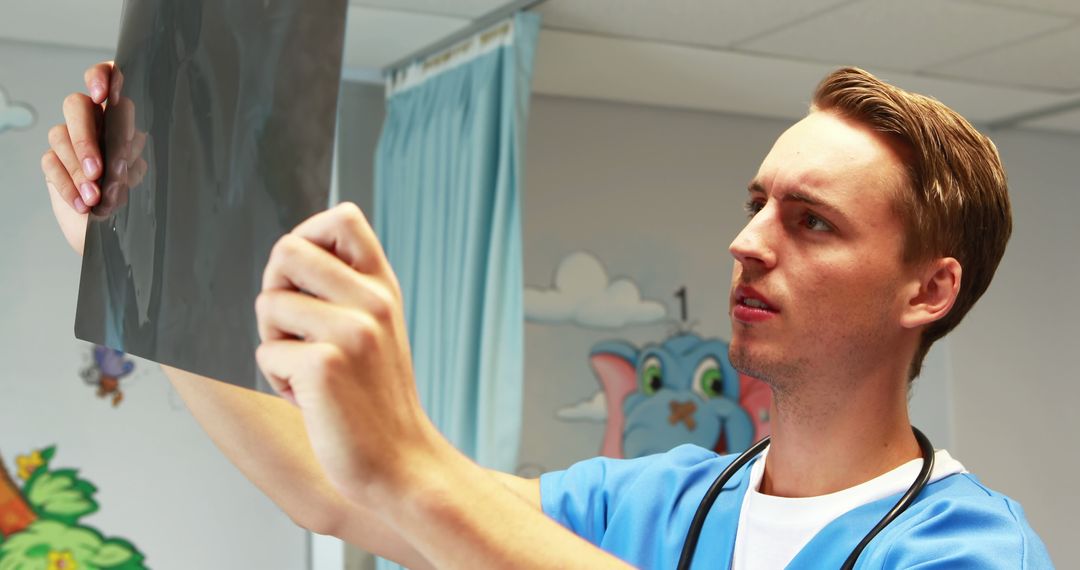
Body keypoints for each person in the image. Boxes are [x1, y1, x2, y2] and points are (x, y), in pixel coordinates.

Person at [41, 63, 1052, 568]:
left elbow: (402, 487)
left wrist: (410, 464)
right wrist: (139, 281)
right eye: (755, 207)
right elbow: (336, 492)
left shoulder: (962, 549)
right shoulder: (662, 502)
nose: (748, 242)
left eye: (813, 222)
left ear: (928, 291)